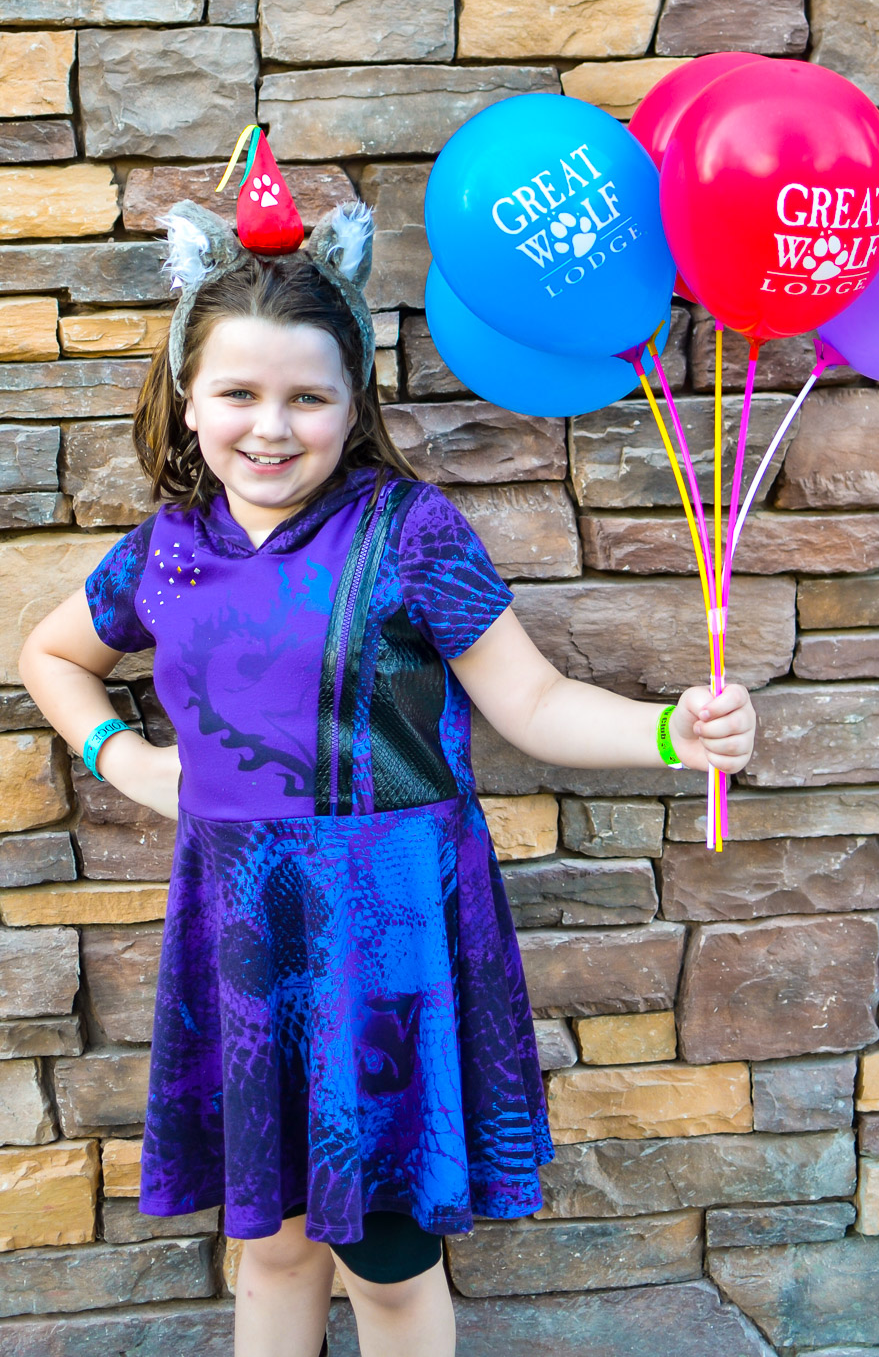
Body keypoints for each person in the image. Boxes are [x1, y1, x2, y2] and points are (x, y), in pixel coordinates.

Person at [19, 190, 757, 1357]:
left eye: (308, 397)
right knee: (273, 1242)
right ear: (188, 395)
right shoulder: (164, 550)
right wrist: (129, 757)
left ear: (353, 400)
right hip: (244, 932)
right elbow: (52, 651)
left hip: (391, 936)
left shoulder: (410, 530)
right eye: (240, 394)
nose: (272, 426)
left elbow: (533, 701)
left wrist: (675, 733)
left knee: (389, 1254)